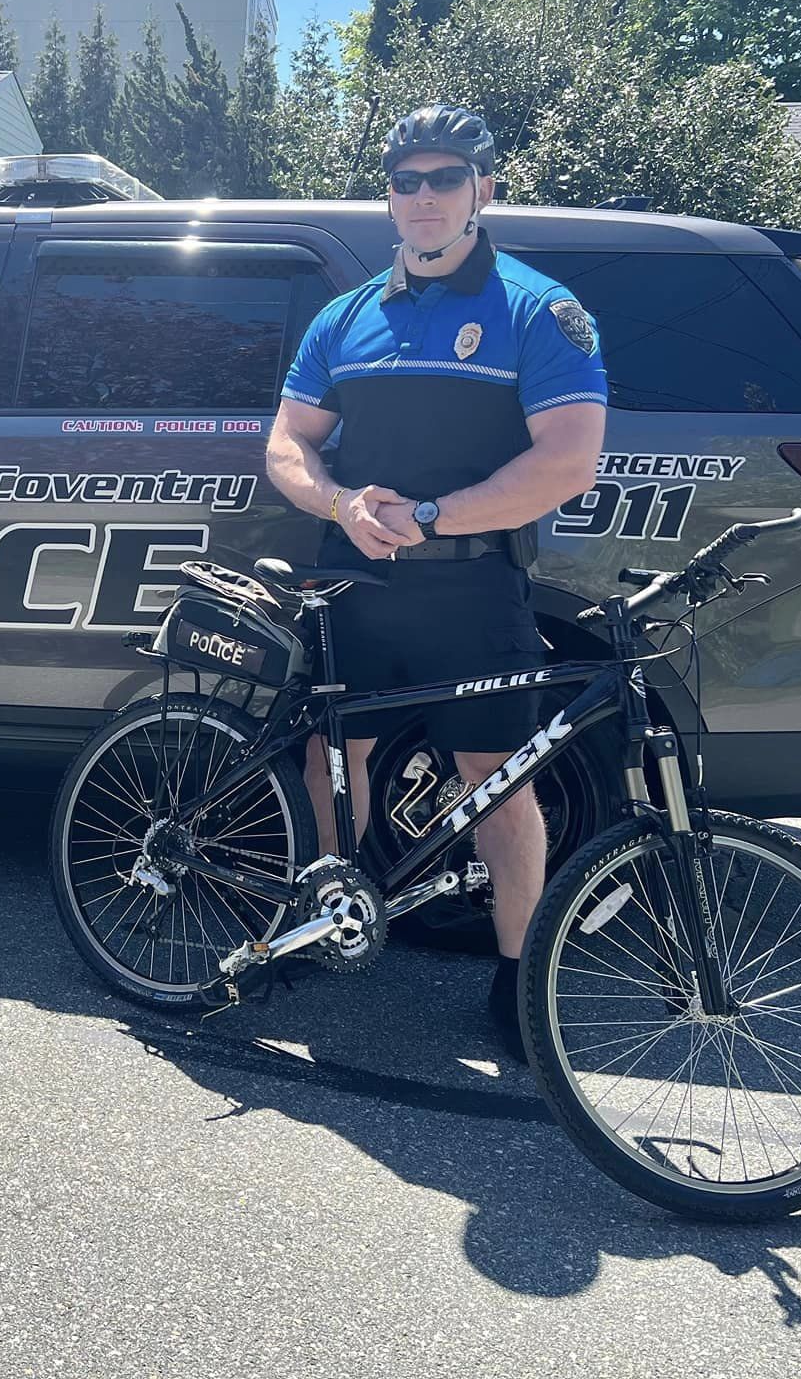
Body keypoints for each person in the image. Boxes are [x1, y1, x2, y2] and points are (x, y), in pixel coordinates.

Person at [264, 103, 607, 1059]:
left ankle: (519, 979)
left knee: (497, 784)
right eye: (406, 180)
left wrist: (427, 517)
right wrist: (338, 506)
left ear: (482, 191)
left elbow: (569, 460)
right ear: (389, 195)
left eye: (444, 178)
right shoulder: (347, 315)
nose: (423, 196)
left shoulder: (539, 308)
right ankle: (328, 915)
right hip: (354, 580)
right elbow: (289, 442)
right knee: (337, 758)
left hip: (470, 586)